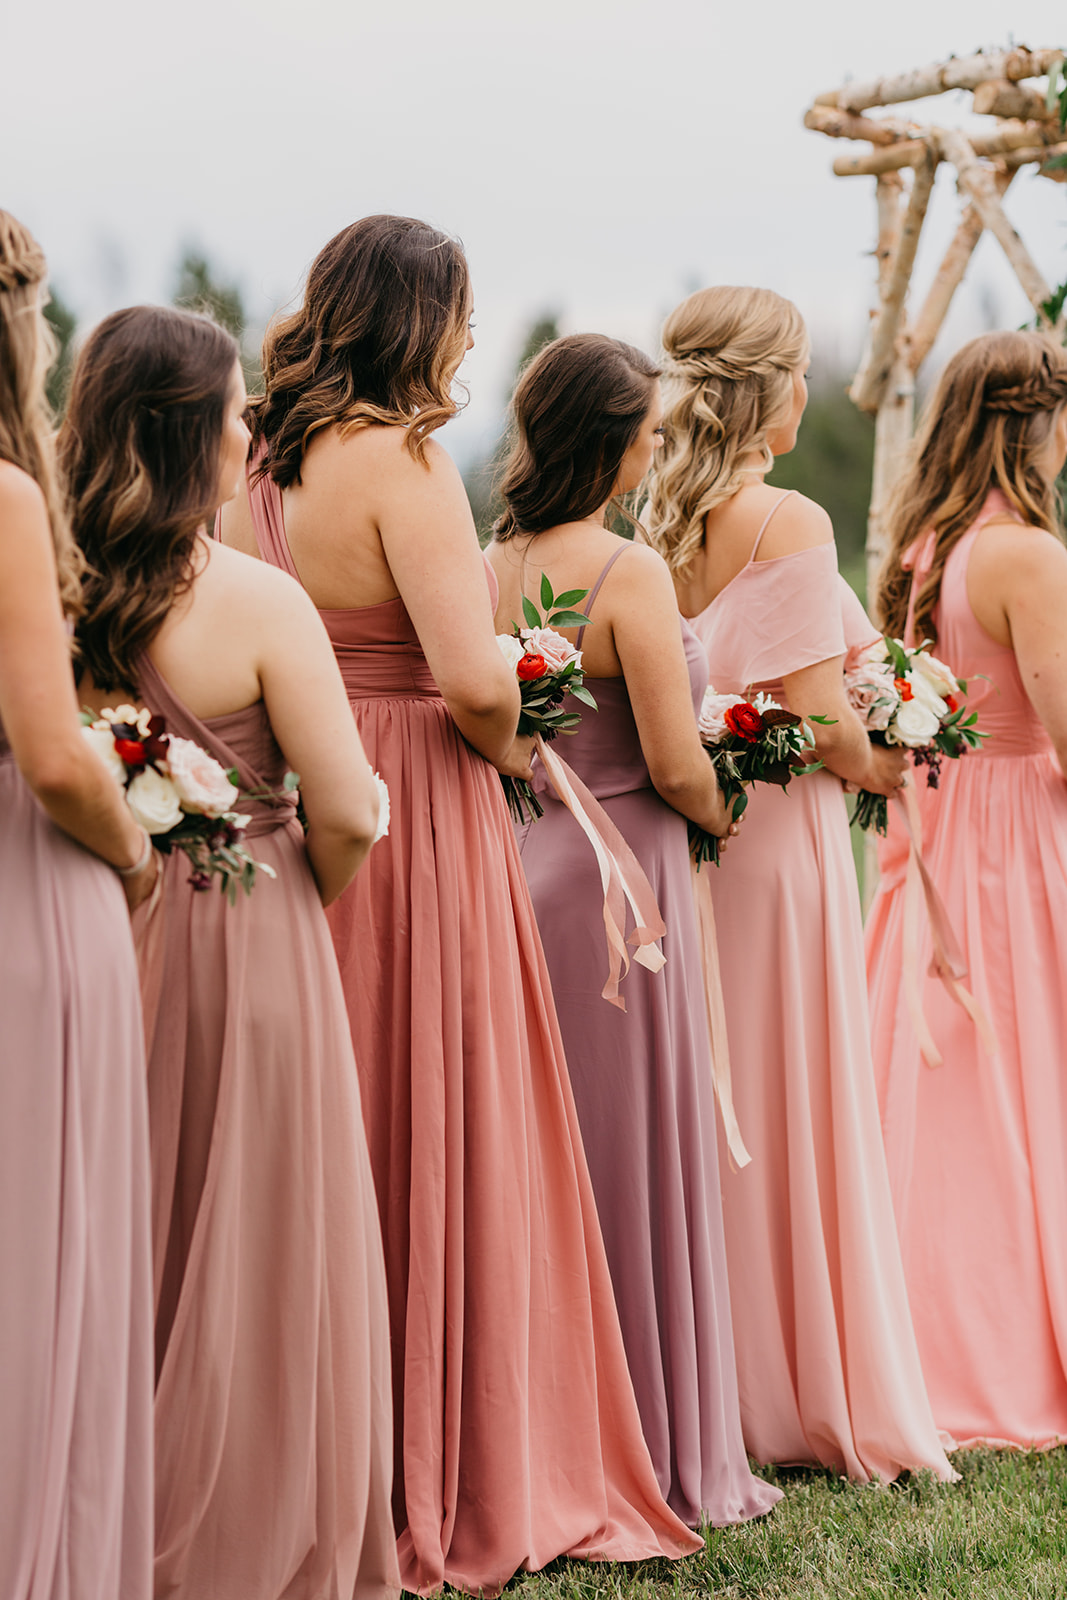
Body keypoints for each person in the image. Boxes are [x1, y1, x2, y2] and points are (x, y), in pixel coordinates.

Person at [220, 215, 701, 1594]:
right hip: (416, 800)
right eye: (461, 314)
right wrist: (513, 727)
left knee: (339, 1109)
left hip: (302, 789)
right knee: (441, 1109)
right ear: (419, 320)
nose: (472, 340)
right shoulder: (404, 462)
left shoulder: (266, 461)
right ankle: (457, 1457)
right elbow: (474, 683)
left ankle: (329, 1447)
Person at [61, 303, 399, 1600]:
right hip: (252, 929)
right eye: (238, 407)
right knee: (261, 1242)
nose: (254, 426)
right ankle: (248, 1532)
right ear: (193, 430)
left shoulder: (55, 587)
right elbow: (353, 807)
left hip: (95, 919)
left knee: (116, 1226)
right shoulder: (257, 598)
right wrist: (285, 898)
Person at [644, 284, 953, 1484]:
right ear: (767, 390)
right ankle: (802, 1384)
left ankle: (719, 1371)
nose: (812, 392)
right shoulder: (787, 520)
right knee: (785, 1085)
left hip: (701, 839)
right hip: (780, 843)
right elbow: (820, 722)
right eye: (803, 372)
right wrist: (890, 756)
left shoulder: (657, 514)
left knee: (721, 1086)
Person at [487, 331, 782, 1527]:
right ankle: (655, 1444)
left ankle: (552, 1427)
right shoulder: (628, 571)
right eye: (652, 432)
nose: (659, 450)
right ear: (609, 439)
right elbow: (672, 759)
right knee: (631, 1153)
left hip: (531, 865)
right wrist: (730, 802)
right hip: (628, 886)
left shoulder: (489, 560)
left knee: (555, 1153)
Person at [866, 329, 1067, 1449]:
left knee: (954, 1106)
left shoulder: (924, 544)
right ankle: (1007, 1347)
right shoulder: (1025, 555)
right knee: (1026, 1074)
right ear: (1030, 424)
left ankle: (932, 1335)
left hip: (947, 833)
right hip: (1016, 842)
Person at [0, 212, 155, 1600]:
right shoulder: (0, 496)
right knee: (35, 1243)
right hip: (25, 905)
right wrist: (135, 848)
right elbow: (52, 755)